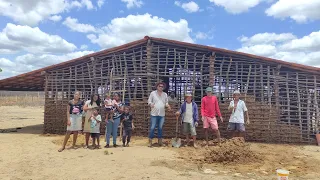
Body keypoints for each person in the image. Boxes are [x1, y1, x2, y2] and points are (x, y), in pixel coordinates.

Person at [147, 82, 172, 147]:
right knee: (152, 127)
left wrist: (168, 106)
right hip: (154, 114)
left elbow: (166, 103)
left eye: (162, 86)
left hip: (162, 114)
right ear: (157, 87)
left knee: (160, 128)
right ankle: (150, 141)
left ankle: (160, 141)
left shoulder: (165, 94)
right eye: (160, 86)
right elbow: (149, 101)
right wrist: (150, 104)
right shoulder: (153, 93)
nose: (161, 87)